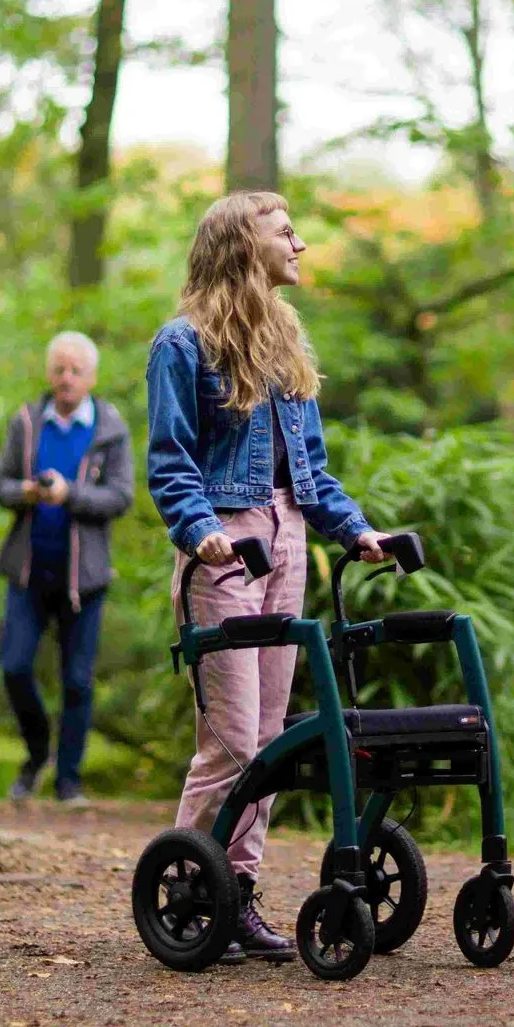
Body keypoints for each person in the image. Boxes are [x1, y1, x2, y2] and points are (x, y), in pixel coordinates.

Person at [147, 190, 396, 963]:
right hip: (227, 543)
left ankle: (239, 894)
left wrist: (356, 530)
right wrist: (204, 533)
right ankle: (192, 895)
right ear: (238, 245)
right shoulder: (182, 345)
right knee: (228, 743)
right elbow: (170, 461)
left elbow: (311, 475)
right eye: (285, 232)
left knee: (268, 742)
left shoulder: (286, 339)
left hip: (287, 539)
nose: (301, 244)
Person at [0, 331, 135, 806]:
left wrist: (69, 495)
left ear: (91, 377)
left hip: (85, 579)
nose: (66, 378)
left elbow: (120, 496)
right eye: (59, 369)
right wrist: (29, 493)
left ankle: (68, 781)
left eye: (75, 370)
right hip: (29, 572)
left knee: (77, 681)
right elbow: (0, 485)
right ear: (49, 374)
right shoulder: (27, 422)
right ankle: (37, 755)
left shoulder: (110, 428)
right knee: (14, 668)